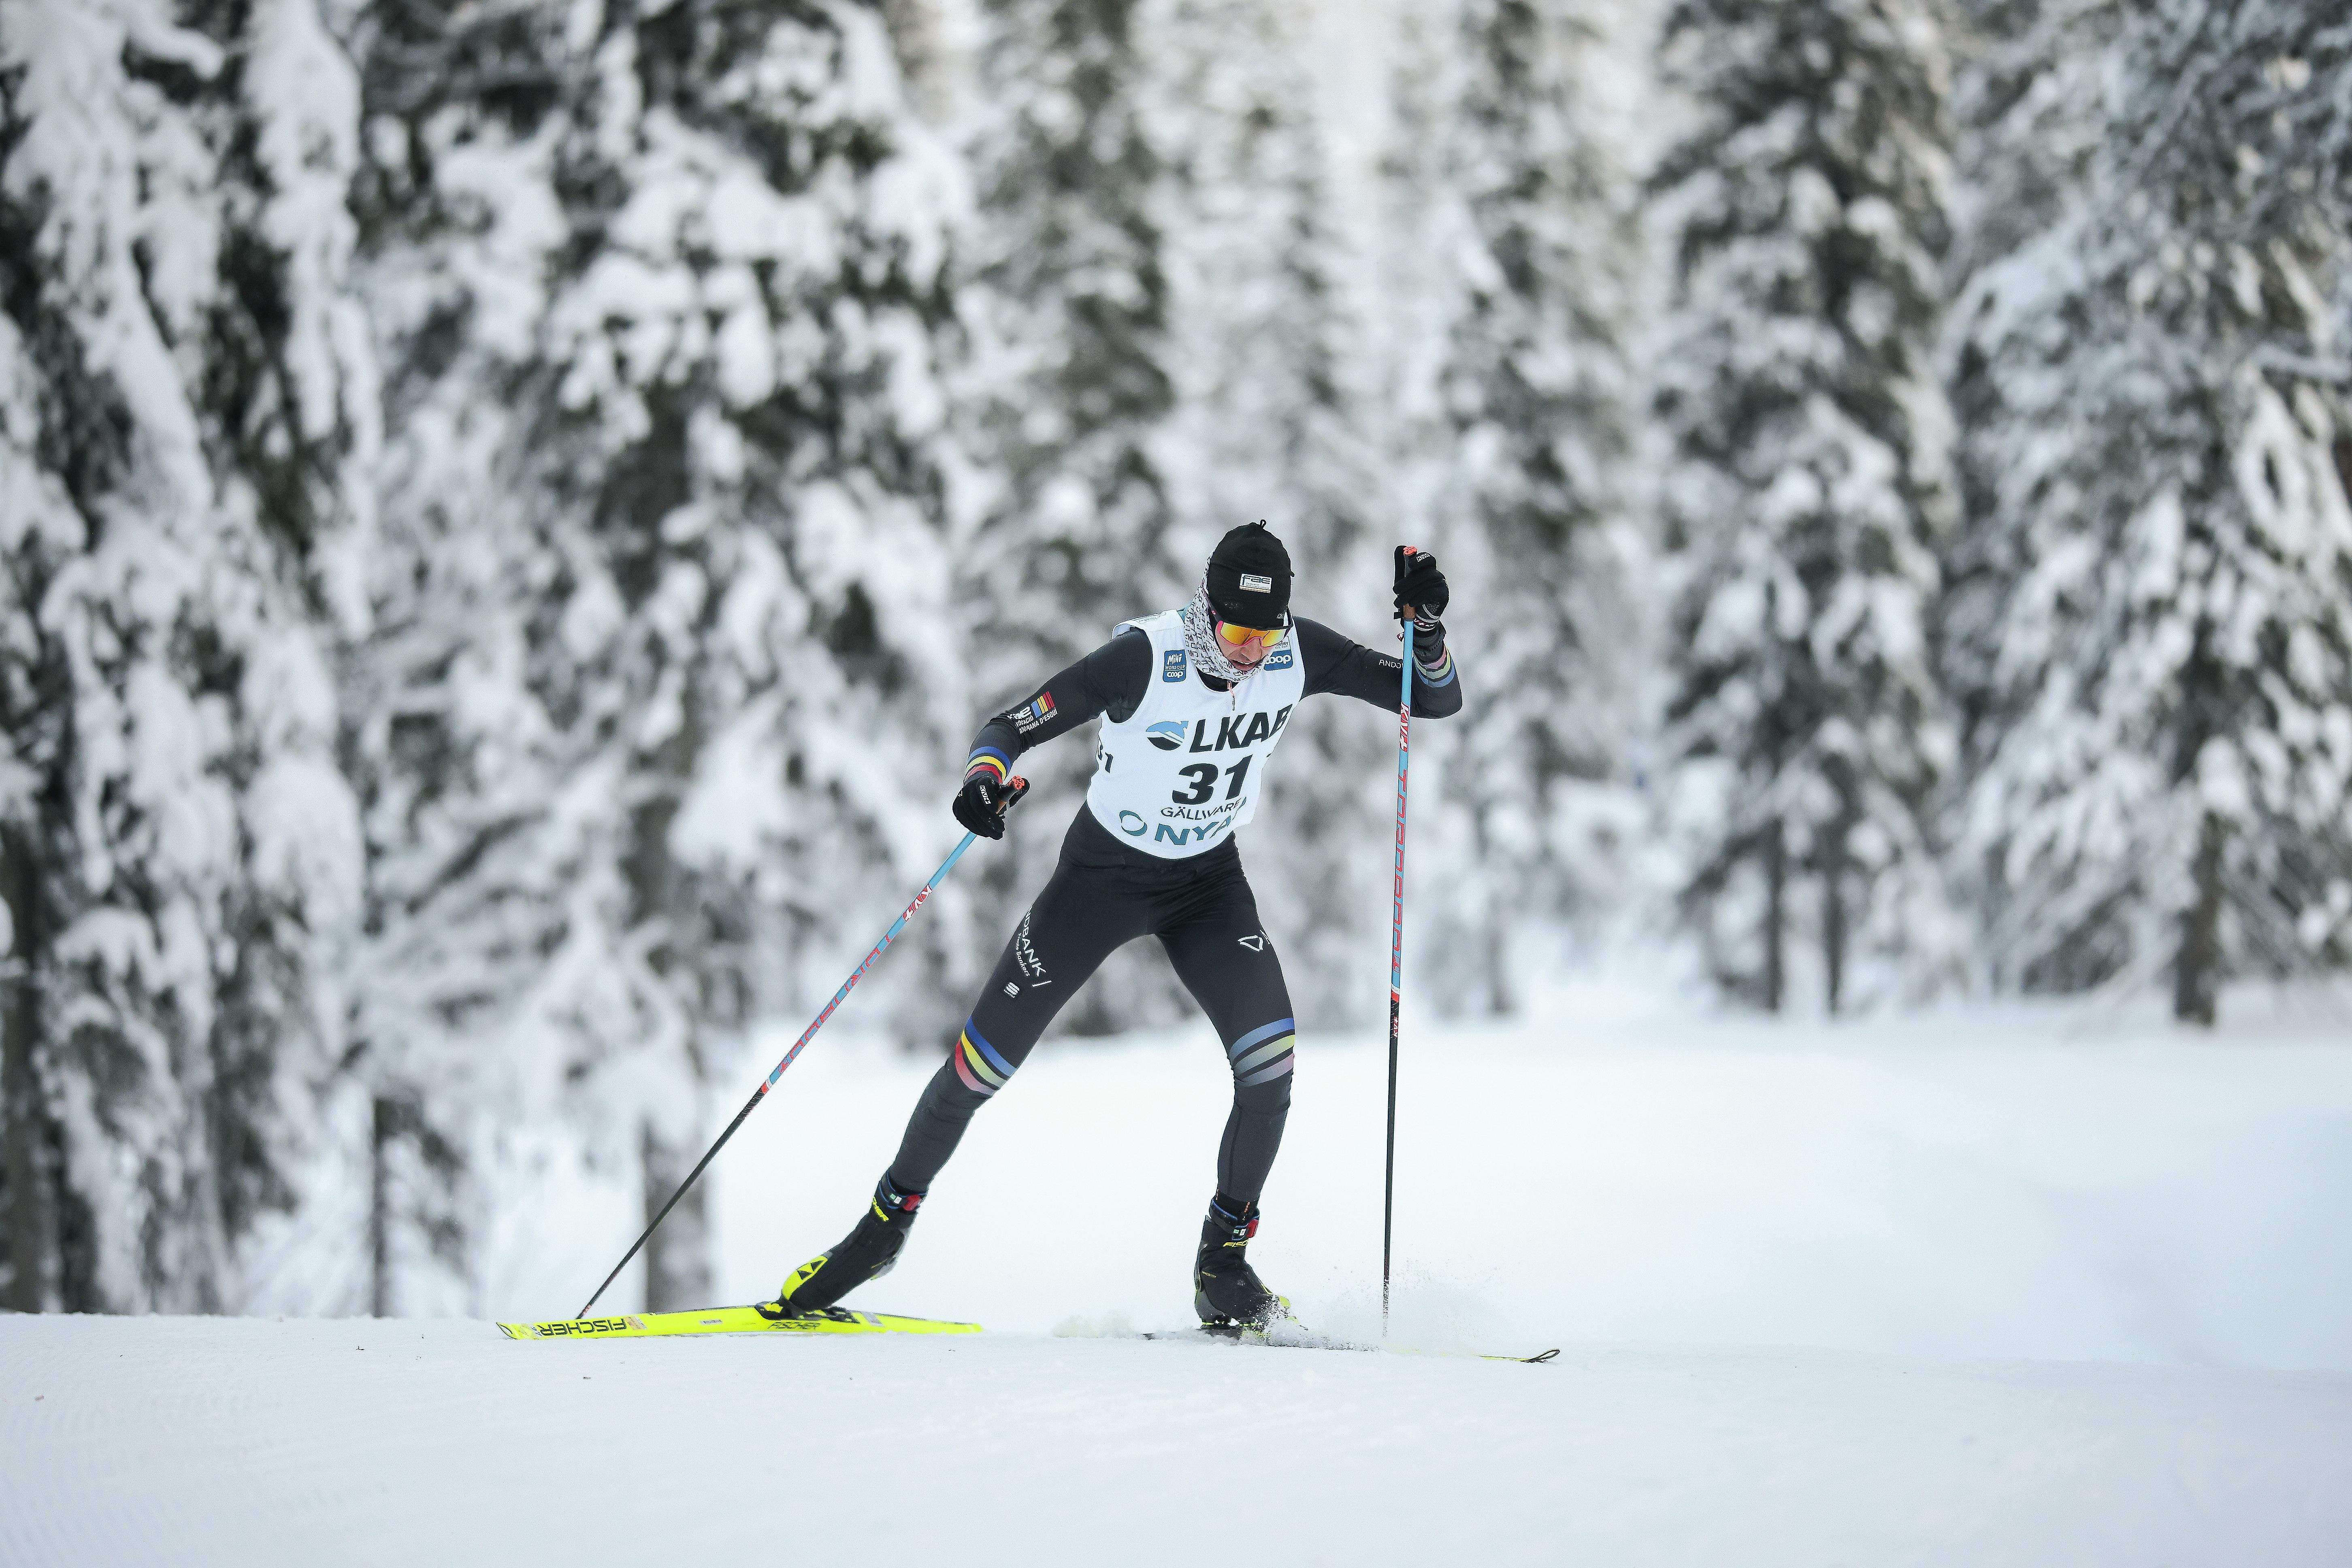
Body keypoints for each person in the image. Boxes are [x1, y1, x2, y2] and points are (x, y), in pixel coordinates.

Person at [770, 522, 1460, 1328]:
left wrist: (1428, 633)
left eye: (1263, 637)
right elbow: (1011, 726)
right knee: (976, 1070)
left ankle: (1222, 1263)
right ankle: (883, 1228)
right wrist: (984, 779)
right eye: (1236, 633)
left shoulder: (1294, 653)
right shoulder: (1146, 656)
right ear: (1207, 613)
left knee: (1271, 1062)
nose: (1248, 655)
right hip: (1100, 882)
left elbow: (1432, 696)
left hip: (1208, 887)